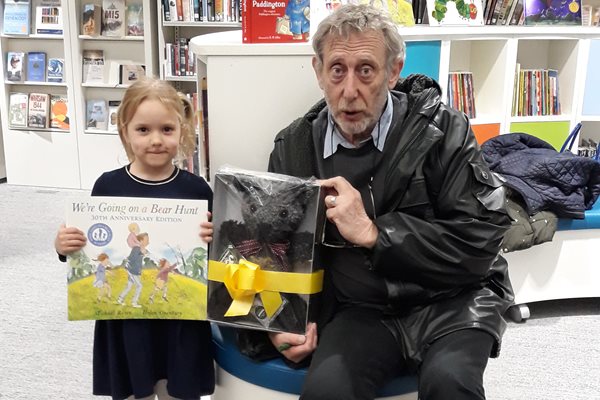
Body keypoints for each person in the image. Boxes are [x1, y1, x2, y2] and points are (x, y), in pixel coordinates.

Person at [202, 4, 513, 400]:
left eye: (366, 70)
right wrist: (279, 317)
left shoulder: (443, 130)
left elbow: (479, 244)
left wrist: (374, 233)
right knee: (326, 391)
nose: (350, 90)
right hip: (359, 312)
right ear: (318, 72)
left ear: (393, 70)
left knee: (451, 384)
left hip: (453, 304)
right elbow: (279, 254)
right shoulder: (295, 147)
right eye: (337, 70)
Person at [54, 77, 214, 400]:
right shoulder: (107, 187)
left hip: (181, 327)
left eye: (167, 130)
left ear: (182, 130)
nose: (156, 140)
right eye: (143, 130)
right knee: (133, 389)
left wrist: (213, 237)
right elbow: (87, 243)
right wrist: (63, 245)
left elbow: (216, 257)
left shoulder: (197, 191)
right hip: (126, 327)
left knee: (179, 390)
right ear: (125, 130)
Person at [117, 232, 149, 308]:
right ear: (140, 241)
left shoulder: (140, 249)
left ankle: (120, 299)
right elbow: (131, 258)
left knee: (129, 286)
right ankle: (134, 302)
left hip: (135, 271)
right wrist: (141, 253)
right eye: (146, 240)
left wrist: (143, 253)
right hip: (133, 271)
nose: (148, 242)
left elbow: (144, 255)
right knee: (139, 286)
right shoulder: (136, 248)